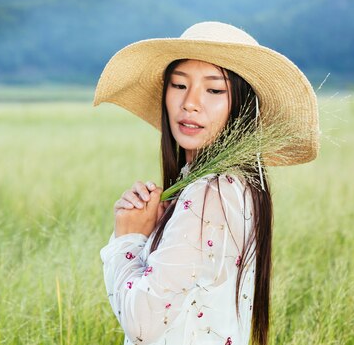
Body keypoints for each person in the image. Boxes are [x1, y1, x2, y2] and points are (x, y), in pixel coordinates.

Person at [93, 22, 319, 345]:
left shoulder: (211, 193)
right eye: (179, 85)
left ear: (240, 106)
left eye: (214, 90)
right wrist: (154, 233)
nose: (190, 103)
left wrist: (127, 240)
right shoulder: (236, 185)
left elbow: (142, 323)